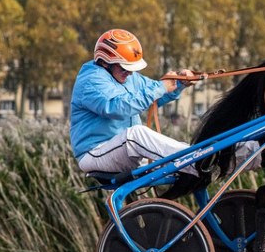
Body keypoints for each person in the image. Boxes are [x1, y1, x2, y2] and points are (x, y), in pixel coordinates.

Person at [70, 29, 198, 176]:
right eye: (125, 67)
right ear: (105, 62)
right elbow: (118, 108)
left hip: (125, 151)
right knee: (135, 135)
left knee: (178, 158)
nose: (130, 73)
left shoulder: (129, 77)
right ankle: (196, 161)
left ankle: (203, 160)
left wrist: (179, 83)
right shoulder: (91, 81)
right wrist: (161, 87)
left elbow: (153, 97)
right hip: (95, 153)